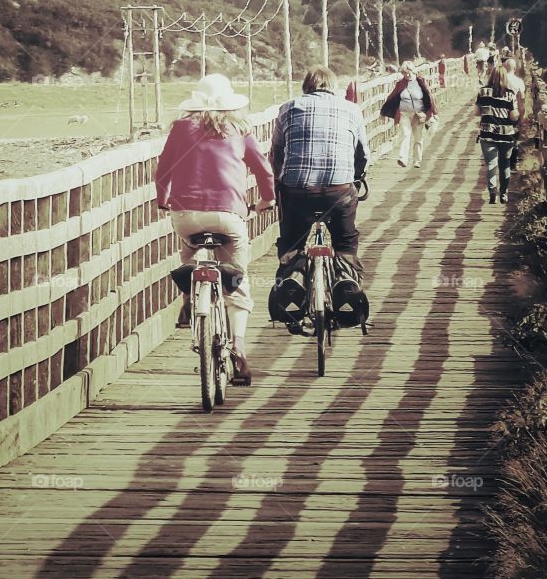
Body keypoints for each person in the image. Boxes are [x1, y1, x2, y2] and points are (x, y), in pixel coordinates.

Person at [155, 73, 275, 383]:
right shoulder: (240, 129)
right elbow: (264, 172)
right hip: (228, 215)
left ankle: (189, 291)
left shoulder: (181, 128)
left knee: (191, 248)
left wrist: (163, 200)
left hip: (187, 216)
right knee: (236, 279)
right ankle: (238, 348)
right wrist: (267, 201)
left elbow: (163, 171)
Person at [269, 66, 369, 330]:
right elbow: (363, 153)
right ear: (333, 86)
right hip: (339, 192)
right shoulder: (351, 109)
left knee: (292, 240)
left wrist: (280, 180)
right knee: (345, 240)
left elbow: (277, 151)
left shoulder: (288, 108)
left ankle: (293, 279)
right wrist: (356, 178)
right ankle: (346, 282)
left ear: (306, 86)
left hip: (297, 191)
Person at [379, 61, 437, 169]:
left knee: (418, 138)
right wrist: (383, 112)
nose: (406, 75)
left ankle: (417, 160)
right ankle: (403, 158)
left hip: (418, 115)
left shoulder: (420, 81)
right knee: (406, 134)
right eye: (404, 73)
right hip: (404, 114)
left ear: (412, 70)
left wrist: (433, 112)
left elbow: (429, 97)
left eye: (407, 72)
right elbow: (391, 97)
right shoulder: (400, 84)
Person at [475, 65, 519, 204]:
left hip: (487, 133)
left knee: (490, 164)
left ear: (491, 76)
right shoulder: (510, 94)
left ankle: (492, 192)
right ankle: (504, 193)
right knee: (505, 164)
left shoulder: (483, 92)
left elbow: (476, 112)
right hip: (506, 135)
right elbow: (513, 116)